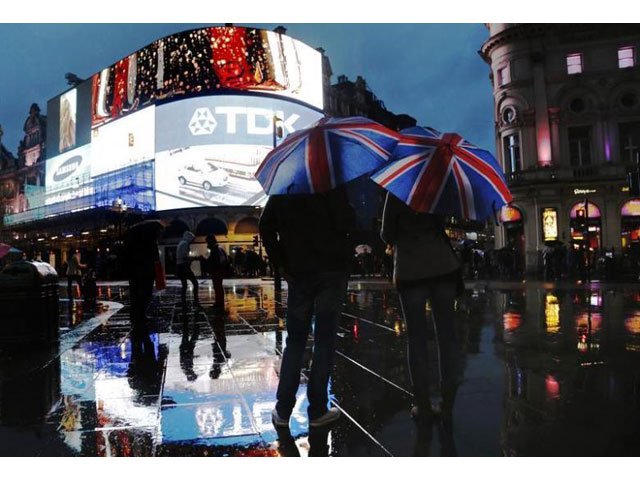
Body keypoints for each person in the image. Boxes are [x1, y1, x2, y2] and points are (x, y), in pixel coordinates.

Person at [259, 187, 355, 429]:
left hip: (299, 270)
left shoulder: (286, 187)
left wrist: (280, 261)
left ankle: (282, 410)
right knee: (324, 341)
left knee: (296, 340)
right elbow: (348, 223)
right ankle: (318, 410)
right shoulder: (331, 184)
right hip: (332, 271)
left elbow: (265, 226)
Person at [381, 192, 462, 424]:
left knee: (416, 339)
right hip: (442, 266)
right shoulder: (436, 185)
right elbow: (441, 223)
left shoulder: (397, 189)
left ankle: (423, 406)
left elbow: (386, 233)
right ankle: (447, 404)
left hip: (410, 268)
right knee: (447, 337)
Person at [123, 220, 164, 329]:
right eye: (159, 231)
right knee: (145, 293)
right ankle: (140, 314)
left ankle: (136, 315)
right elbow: (155, 258)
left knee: (136, 294)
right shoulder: (150, 243)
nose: (160, 233)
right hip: (145, 272)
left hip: (135, 272)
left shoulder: (135, 243)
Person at [176, 230, 200, 310]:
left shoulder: (181, 243)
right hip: (184, 267)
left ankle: (183, 302)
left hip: (179, 266)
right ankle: (196, 300)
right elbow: (185, 257)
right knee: (195, 283)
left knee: (184, 285)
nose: (192, 241)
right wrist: (195, 258)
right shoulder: (185, 244)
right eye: (192, 240)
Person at [205, 234, 227, 311]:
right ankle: (219, 301)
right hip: (219, 270)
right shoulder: (218, 248)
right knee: (218, 286)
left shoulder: (215, 249)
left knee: (217, 286)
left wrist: (205, 260)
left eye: (207, 242)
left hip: (217, 270)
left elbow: (214, 261)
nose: (207, 243)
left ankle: (219, 302)